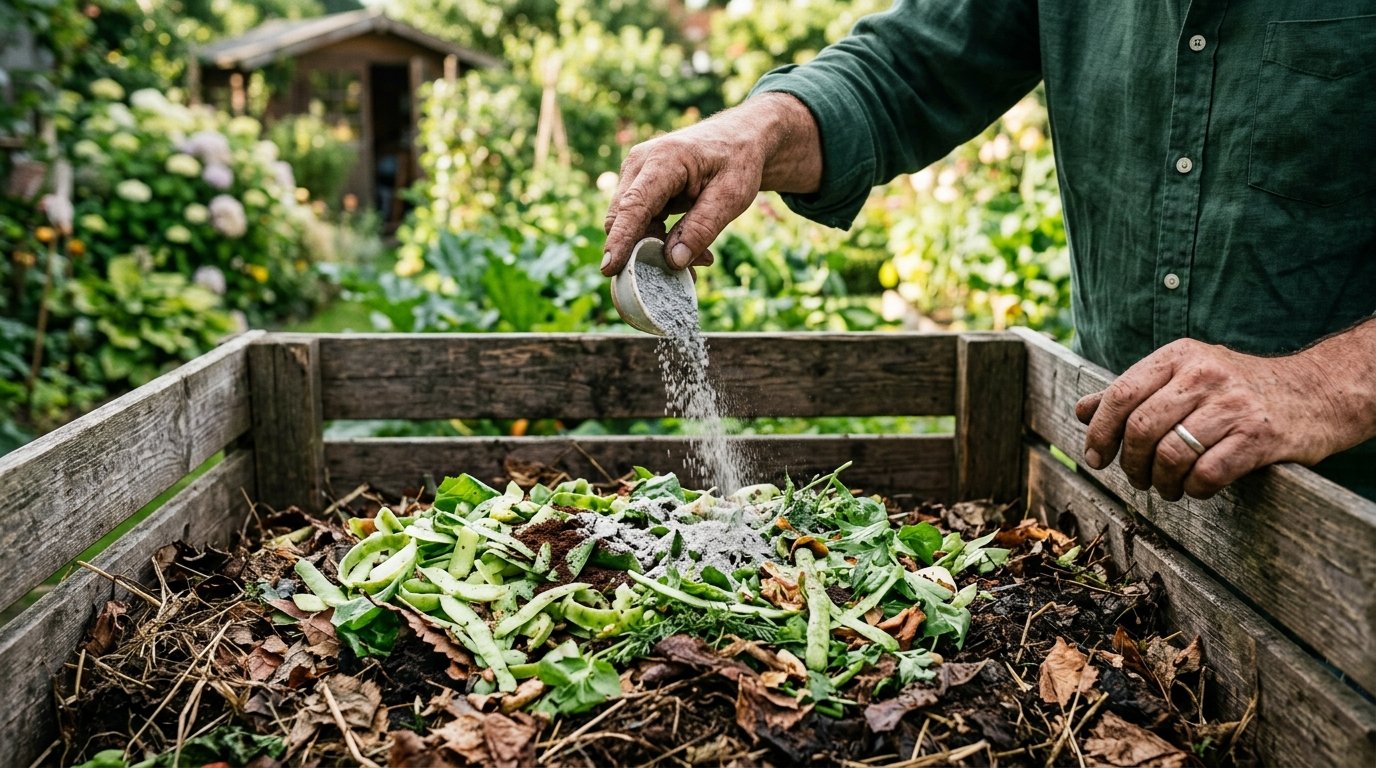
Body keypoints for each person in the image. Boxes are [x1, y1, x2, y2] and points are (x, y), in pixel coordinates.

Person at [600, 0, 1376, 502]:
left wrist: (1321, 387)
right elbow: (906, 69)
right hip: (1131, 492)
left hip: (1348, 522)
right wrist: (759, 129)